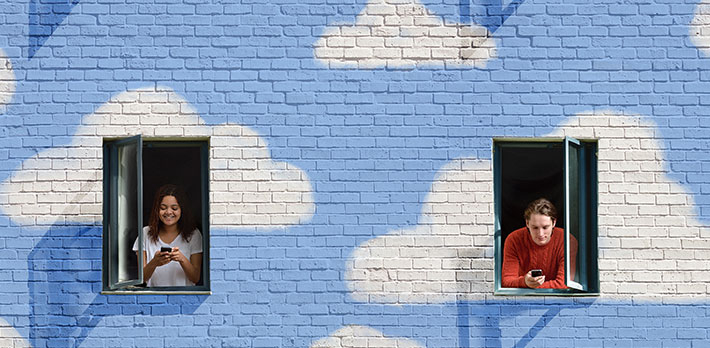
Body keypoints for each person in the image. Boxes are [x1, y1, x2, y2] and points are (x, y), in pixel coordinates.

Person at [132, 184, 202, 287]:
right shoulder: (145, 233)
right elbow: (142, 279)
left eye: (174, 208)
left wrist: (181, 259)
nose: (168, 212)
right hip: (154, 298)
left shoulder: (193, 234)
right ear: (157, 210)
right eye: (163, 208)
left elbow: (195, 277)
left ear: (182, 210)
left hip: (184, 298)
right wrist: (154, 262)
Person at [501, 198, 577, 289]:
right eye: (535, 228)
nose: (540, 234)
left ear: (554, 223)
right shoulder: (514, 240)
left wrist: (528, 285)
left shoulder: (566, 240)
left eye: (545, 227)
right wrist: (525, 281)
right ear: (527, 223)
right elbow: (506, 281)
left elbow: (565, 283)